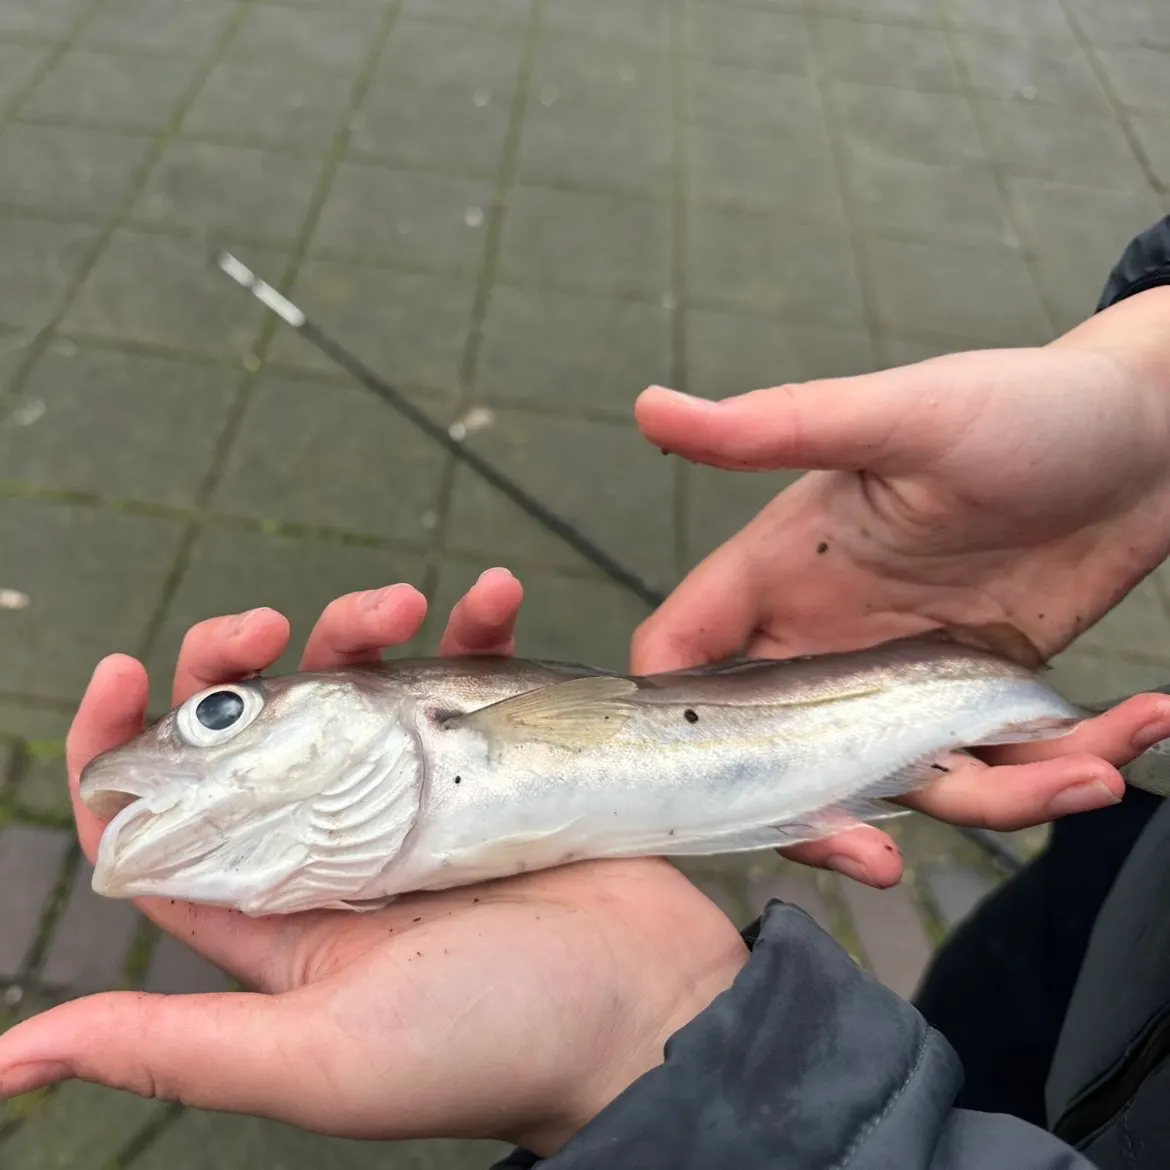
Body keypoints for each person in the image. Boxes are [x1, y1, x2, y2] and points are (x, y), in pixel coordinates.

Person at [0, 218, 1169, 1168]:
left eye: (222, 717)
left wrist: (721, 1092)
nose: (196, 733)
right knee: (1010, 1009)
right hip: (1117, 928)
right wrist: (1148, 384)